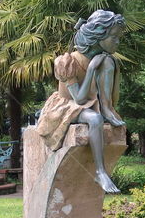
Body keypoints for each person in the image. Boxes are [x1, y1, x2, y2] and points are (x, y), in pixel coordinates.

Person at [36, 10, 126, 193]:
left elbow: (107, 93)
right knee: (94, 120)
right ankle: (100, 172)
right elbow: (79, 98)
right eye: (114, 37)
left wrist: (107, 102)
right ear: (98, 35)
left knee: (109, 63)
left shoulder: (106, 61)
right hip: (67, 106)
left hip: (91, 104)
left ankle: (106, 110)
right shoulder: (68, 61)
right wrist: (92, 69)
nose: (117, 42)